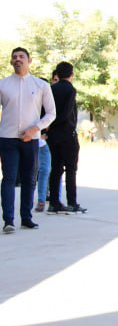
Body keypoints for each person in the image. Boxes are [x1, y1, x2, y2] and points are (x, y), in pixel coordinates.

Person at [1, 48, 55, 234]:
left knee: (30, 179)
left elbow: (51, 113)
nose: (17, 59)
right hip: (7, 138)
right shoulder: (3, 84)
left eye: (21, 56)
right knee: (9, 178)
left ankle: (26, 218)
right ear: (11, 61)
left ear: (29, 60)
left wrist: (35, 129)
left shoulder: (41, 85)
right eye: (14, 57)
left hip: (31, 139)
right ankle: (8, 220)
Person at [48, 61, 86, 213]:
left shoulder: (51, 89)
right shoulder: (70, 89)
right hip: (67, 134)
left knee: (56, 169)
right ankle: (72, 202)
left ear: (57, 74)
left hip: (53, 135)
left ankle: (54, 203)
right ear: (72, 74)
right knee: (71, 169)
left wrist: (49, 126)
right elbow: (67, 112)